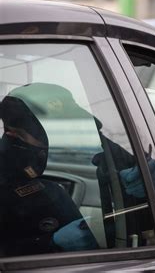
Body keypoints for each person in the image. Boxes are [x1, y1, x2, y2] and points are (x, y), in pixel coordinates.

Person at [0, 91, 98, 256]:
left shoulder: (51, 190)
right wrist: (49, 244)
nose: (48, 144)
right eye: (47, 134)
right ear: (13, 135)